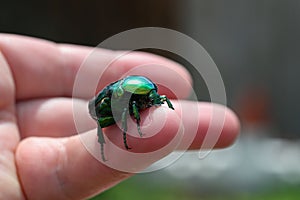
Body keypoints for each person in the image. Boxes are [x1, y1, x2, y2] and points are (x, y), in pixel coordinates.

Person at [0, 34, 240, 199]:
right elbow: (119, 109)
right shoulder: (121, 97)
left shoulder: (146, 92)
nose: (154, 99)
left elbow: (153, 99)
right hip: (109, 111)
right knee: (118, 117)